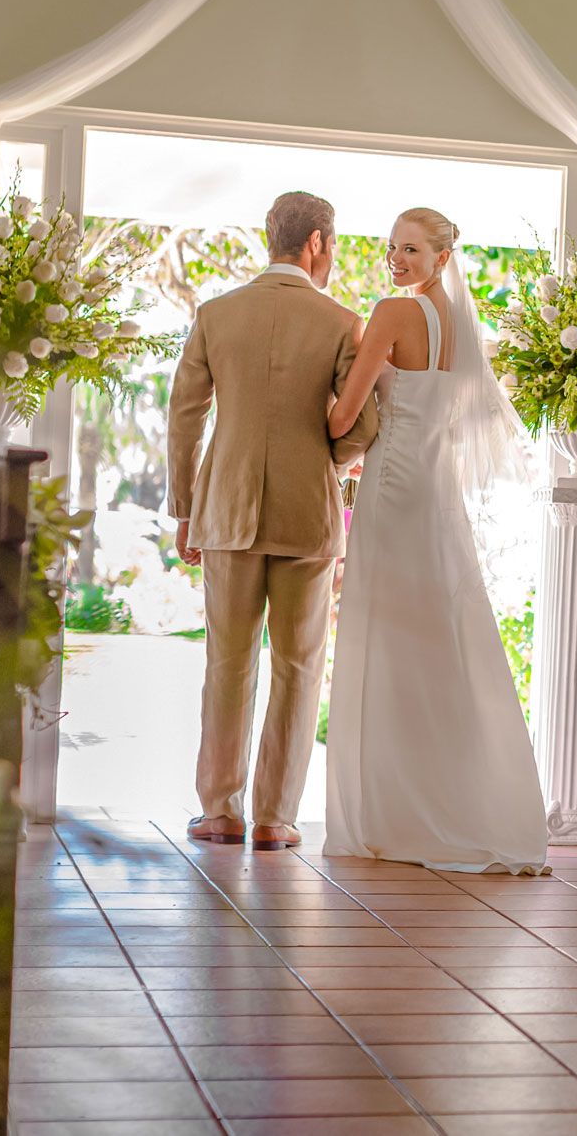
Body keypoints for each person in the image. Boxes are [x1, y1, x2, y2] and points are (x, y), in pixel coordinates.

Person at [320, 209, 547, 873]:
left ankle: (390, 813)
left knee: (388, 640)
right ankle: (454, 803)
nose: (396, 258)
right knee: (441, 639)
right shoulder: (459, 326)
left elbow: (343, 413)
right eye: (392, 247)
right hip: (436, 495)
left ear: (442, 256)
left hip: (392, 495)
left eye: (411, 249)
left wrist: (328, 424)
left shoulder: (394, 313)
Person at [168, 191, 380, 852]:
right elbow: (365, 423)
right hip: (307, 511)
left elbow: (184, 416)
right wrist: (325, 461)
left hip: (224, 509)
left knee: (226, 664)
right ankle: (275, 818)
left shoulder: (216, 313)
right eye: (333, 245)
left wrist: (185, 507)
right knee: (298, 664)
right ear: (316, 242)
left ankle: (219, 810)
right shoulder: (344, 322)